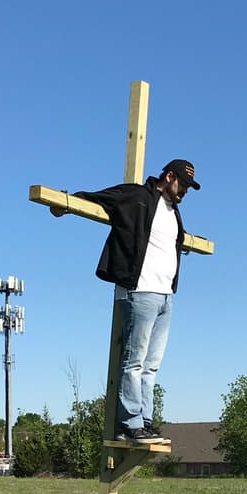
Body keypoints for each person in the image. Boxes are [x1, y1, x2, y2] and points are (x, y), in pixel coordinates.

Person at [54, 159, 202, 444]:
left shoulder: (174, 211)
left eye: (188, 187)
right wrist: (67, 203)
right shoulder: (138, 196)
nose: (184, 191)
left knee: (151, 365)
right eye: (182, 184)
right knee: (134, 361)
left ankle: (144, 421)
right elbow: (101, 199)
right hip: (141, 291)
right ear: (169, 176)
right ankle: (130, 425)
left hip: (166, 296)